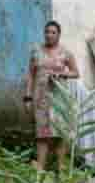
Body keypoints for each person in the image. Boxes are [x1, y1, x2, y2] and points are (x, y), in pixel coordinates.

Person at [24, 21, 80, 172]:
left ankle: (60, 167)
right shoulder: (36, 51)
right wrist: (28, 97)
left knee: (60, 132)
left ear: (59, 35)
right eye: (47, 32)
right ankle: (41, 166)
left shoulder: (66, 53)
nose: (49, 35)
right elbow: (30, 75)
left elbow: (76, 72)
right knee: (42, 133)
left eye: (53, 32)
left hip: (60, 97)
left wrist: (62, 73)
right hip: (41, 98)